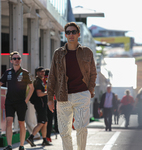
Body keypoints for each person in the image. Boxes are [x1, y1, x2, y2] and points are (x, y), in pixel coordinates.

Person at [47, 22, 97, 150]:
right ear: (65, 35)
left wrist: (89, 91)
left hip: (81, 94)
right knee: (64, 132)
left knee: (81, 127)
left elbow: (93, 73)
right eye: (68, 32)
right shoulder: (58, 53)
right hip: (63, 96)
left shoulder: (87, 52)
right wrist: (49, 99)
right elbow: (52, 76)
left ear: (78, 34)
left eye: (73, 32)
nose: (71, 35)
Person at [0, 51, 34, 150]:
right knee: (9, 122)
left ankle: (21, 145)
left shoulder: (25, 73)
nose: (17, 60)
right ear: (11, 61)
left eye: (18, 58)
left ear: (20, 60)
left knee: (21, 123)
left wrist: (25, 101)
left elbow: (31, 88)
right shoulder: (7, 72)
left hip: (21, 102)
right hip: (9, 102)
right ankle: (9, 145)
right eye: (14, 58)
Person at [26, 67, 51, 147]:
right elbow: (39, 94)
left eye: (43, 72)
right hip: (40, 105)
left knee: (45, 122)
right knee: (41, 123)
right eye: (40, 72)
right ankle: (31, 137)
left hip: (42, 105)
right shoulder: (38, 82)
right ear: (37, 73)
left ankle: (44, 140)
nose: (42, 73)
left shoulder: (41, 81)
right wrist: (48, 93)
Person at [43, 69, 54, 142]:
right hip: (52, 100)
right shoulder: (53, 80)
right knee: (50, 120)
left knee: (43, 120)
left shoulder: (42, 80)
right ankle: (48, 136)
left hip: (43, 101)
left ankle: (44, 135)